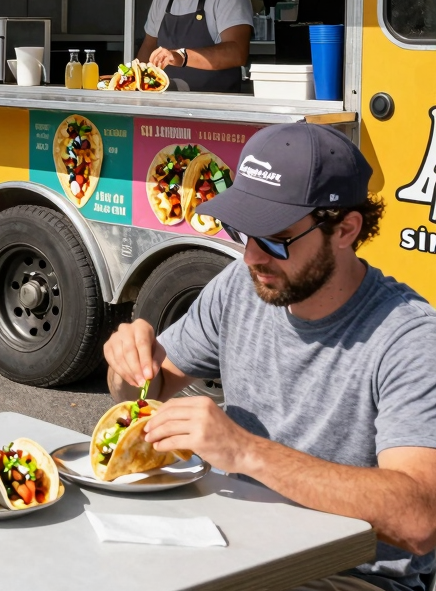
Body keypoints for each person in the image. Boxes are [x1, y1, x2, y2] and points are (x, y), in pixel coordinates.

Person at [104, 123, 436, 591]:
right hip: (232, 545)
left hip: (350, 575)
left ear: (345, 228)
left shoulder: (408, 336)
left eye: (275, 238)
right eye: (242, 230)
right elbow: (148, 388)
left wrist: (244, 452)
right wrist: (127, 366)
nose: (251, 257)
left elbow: (419, 520)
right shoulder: (242, 287)